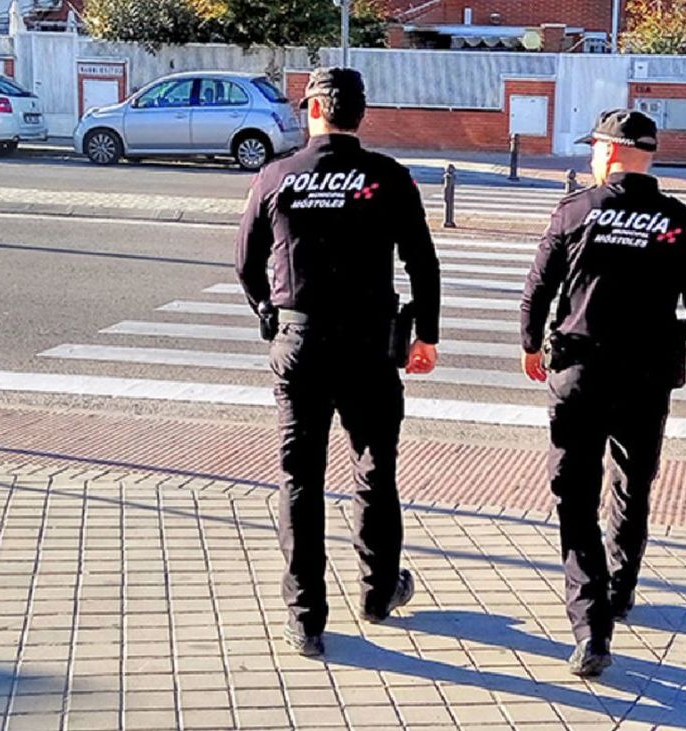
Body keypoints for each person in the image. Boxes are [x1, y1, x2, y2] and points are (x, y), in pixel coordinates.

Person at [236, 67, 442, 657]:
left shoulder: (276, 176)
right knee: (375, 469)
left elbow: (246, 263)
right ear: (359, 113)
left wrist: (271, 313)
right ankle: (379, 593)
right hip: (370, 345)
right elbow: (422, 262)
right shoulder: (388, 177)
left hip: (300, 345)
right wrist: (424, 334)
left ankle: (306, 620)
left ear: (314, 110)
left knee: (300, 479)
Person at [519, 108, 686, 677]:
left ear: (610, 153)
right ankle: (621, 588)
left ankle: (591, 629)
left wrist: (530, 343)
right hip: (647, 378)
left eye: (594, 149)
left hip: (580, 375)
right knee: (632, 484)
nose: (590, 157)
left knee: (576, 497)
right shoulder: (678, 221)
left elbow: (539, 284)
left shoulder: (575, 211)